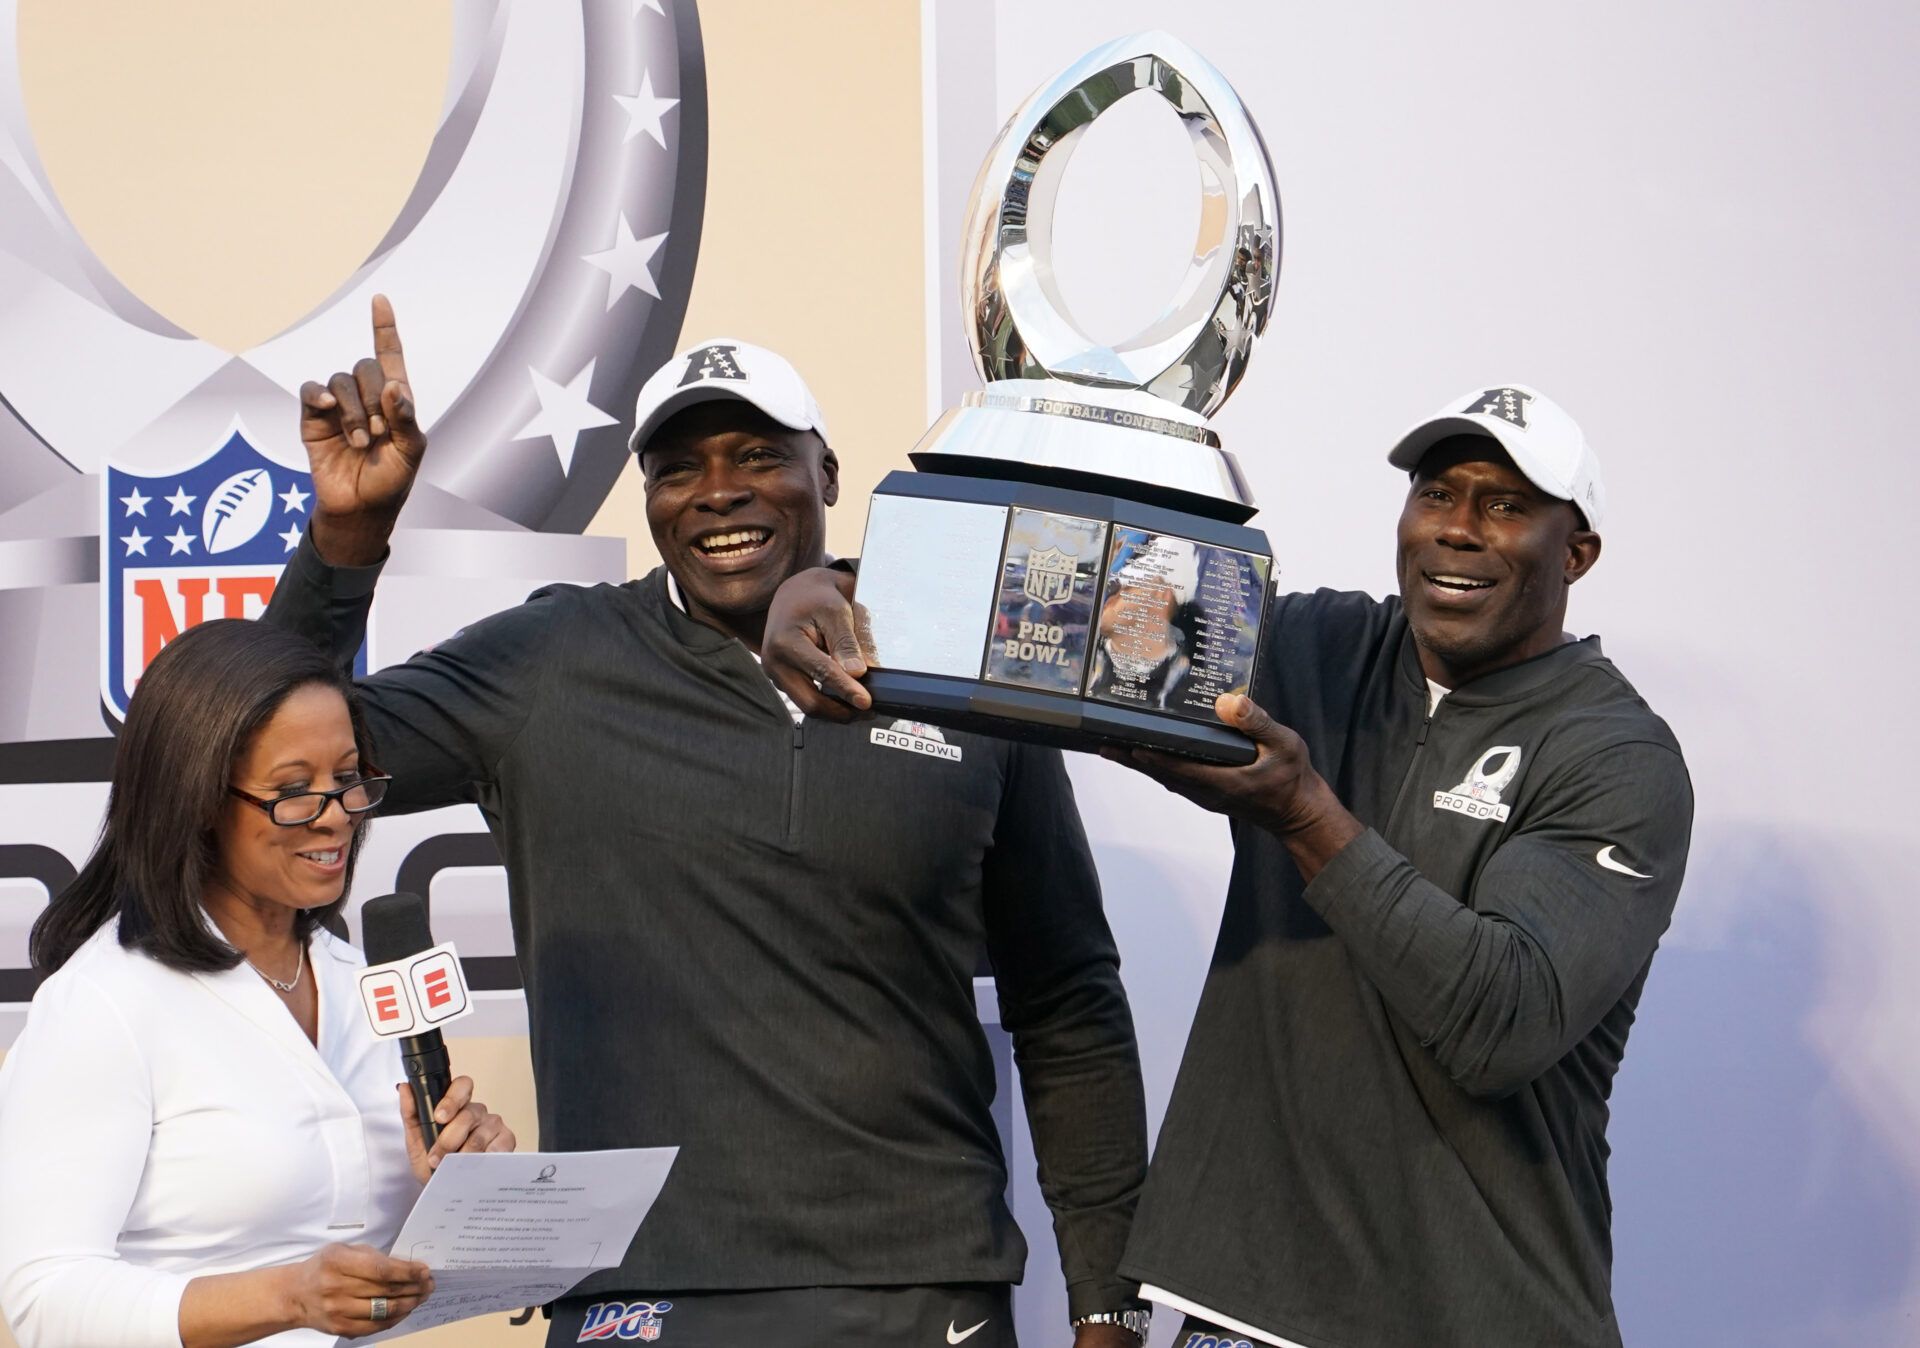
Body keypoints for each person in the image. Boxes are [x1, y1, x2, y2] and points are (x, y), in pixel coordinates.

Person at [261, 301, 1151, 1347]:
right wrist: (347, 544)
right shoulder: (550, 664)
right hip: (640, 1298)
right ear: (648, 500)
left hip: (920, 1289)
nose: (719, 491)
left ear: (826, 473)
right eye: (678, 468)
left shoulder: (955, 664)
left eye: (758, 454)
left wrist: (1104, 1304)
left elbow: (1068, 1001)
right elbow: (273, 754)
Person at [763, 384, 1694, 1348]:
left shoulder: (1616, 757)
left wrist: (1304, 815)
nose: (1458, 529)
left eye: (1505, 506)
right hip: (1242, 1310)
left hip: (1476, 1315)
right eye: (1436, 494)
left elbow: (1500, 1022)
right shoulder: (1326, 648)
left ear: (1576, 551)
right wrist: (831, 584)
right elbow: (1079, 616)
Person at [0, 618, 515, 1348]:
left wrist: (455, 1195)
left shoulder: (359, 982)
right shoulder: (104, 1004)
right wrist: (286, 1295)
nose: (335, 817)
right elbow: (45, 1302)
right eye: (293, 791)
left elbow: (367, 1278)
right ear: (199, 800)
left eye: (348, 779)